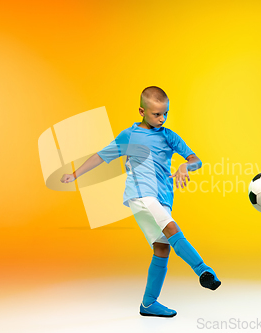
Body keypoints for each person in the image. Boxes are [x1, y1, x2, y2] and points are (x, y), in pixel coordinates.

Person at [60, 86, 220, 318]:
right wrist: (75, 175)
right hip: (141, 193)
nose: (162, 118)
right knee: (171, 227)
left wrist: (186, 165)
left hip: (162, 197)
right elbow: (100, 156)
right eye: (156, 114)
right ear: (142, 111)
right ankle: (203, 270)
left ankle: (148, 303)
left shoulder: (169, 136)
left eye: (165, 113)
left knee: (162, 247)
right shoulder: (129, 135)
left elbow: (197, 160)